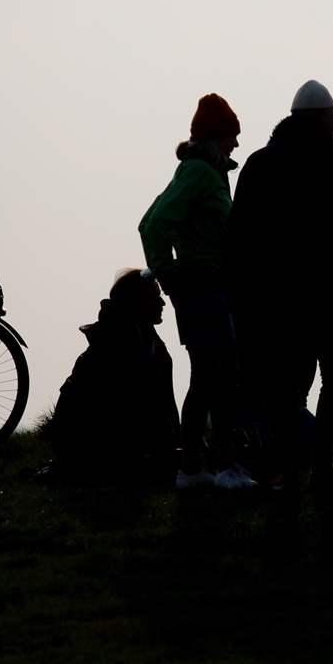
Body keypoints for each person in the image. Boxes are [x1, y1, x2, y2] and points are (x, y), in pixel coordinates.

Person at [227, 79, 333, 484]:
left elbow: (239, 239)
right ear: (321, 118)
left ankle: (291, 466)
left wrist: (242, 298)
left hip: (276, 301)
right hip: (326, 296)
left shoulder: (259, 164)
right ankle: (320, 464)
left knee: (290, 388)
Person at [137, 93, 253, 490]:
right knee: (219, 378)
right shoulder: (199, 173)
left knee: (207, 379)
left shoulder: (204, 172)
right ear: (215, 137)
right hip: (203, 290)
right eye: (231, 136)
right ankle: (223, 467)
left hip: (209, 289)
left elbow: (152, 220)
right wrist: (170, 276)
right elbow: (152, 225)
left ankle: (194, 468)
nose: (236, 144)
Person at [46, 269, 179, 486]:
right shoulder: (123, 344)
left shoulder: (138, 336)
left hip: (93, 446)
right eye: (155, 297)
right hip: (94, 449)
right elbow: (134, 409)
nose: (163, 303)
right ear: (137, 302)